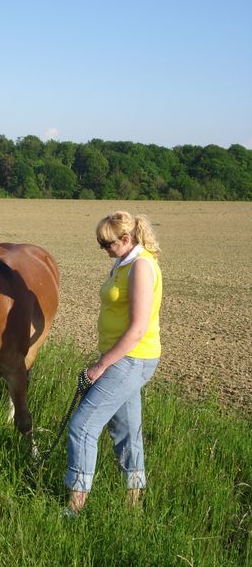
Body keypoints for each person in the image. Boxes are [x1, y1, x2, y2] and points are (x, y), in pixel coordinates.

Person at [64, 211, 162, 515]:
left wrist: (100, 365)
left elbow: (137, 329)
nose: (103, 248)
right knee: (126, 430)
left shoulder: (141, 266)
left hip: (132, 359)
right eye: (100, 243)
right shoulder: (123, 262)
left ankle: (74, 509)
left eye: (106, 243)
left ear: (125, 238)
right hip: (123, 358)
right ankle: (134, 506)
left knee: (82, 427)